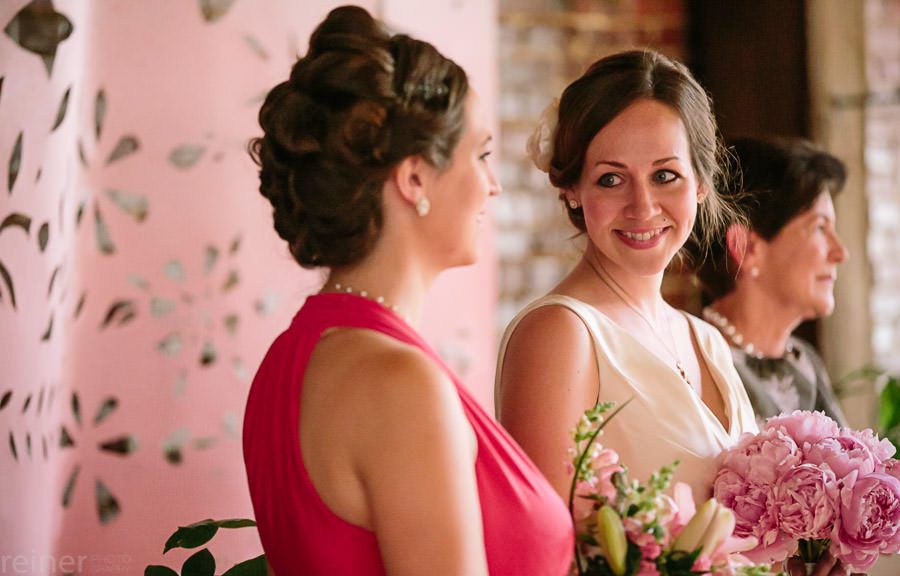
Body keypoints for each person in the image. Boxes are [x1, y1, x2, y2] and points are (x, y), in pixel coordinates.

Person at [242, 6, 572, 575]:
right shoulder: (399, 384)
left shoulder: (286, 359)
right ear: (415, 178)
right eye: (482, 154)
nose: (493, 186)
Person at [495, 49, 760, 505]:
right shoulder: (560, 335)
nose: (643, 207)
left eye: (664, 175)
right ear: (572, 189)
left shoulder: (705, 341)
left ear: (700, 182)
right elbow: (548, 554)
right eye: (611, 180)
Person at [692, 136, 849, 426]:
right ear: (747, 248)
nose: (840, 252)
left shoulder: (804, 361)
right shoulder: (698, 365)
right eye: (819, 228)